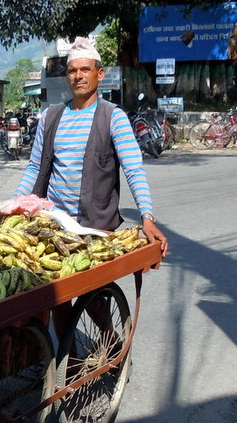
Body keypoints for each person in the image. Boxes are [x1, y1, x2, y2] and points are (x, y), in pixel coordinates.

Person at [13, 36, 167, 338]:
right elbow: (35, 167)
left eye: (85, 69)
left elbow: (134, 169)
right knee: (54, 294)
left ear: (100, 74)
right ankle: (66, 359)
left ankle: (110, 341)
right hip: (54, 223)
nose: (78, 76)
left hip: (95, 225)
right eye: (72, 70)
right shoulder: (50, 117)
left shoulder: (114, 118)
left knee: (90, 295)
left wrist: (147, 216)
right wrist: (16, 205)